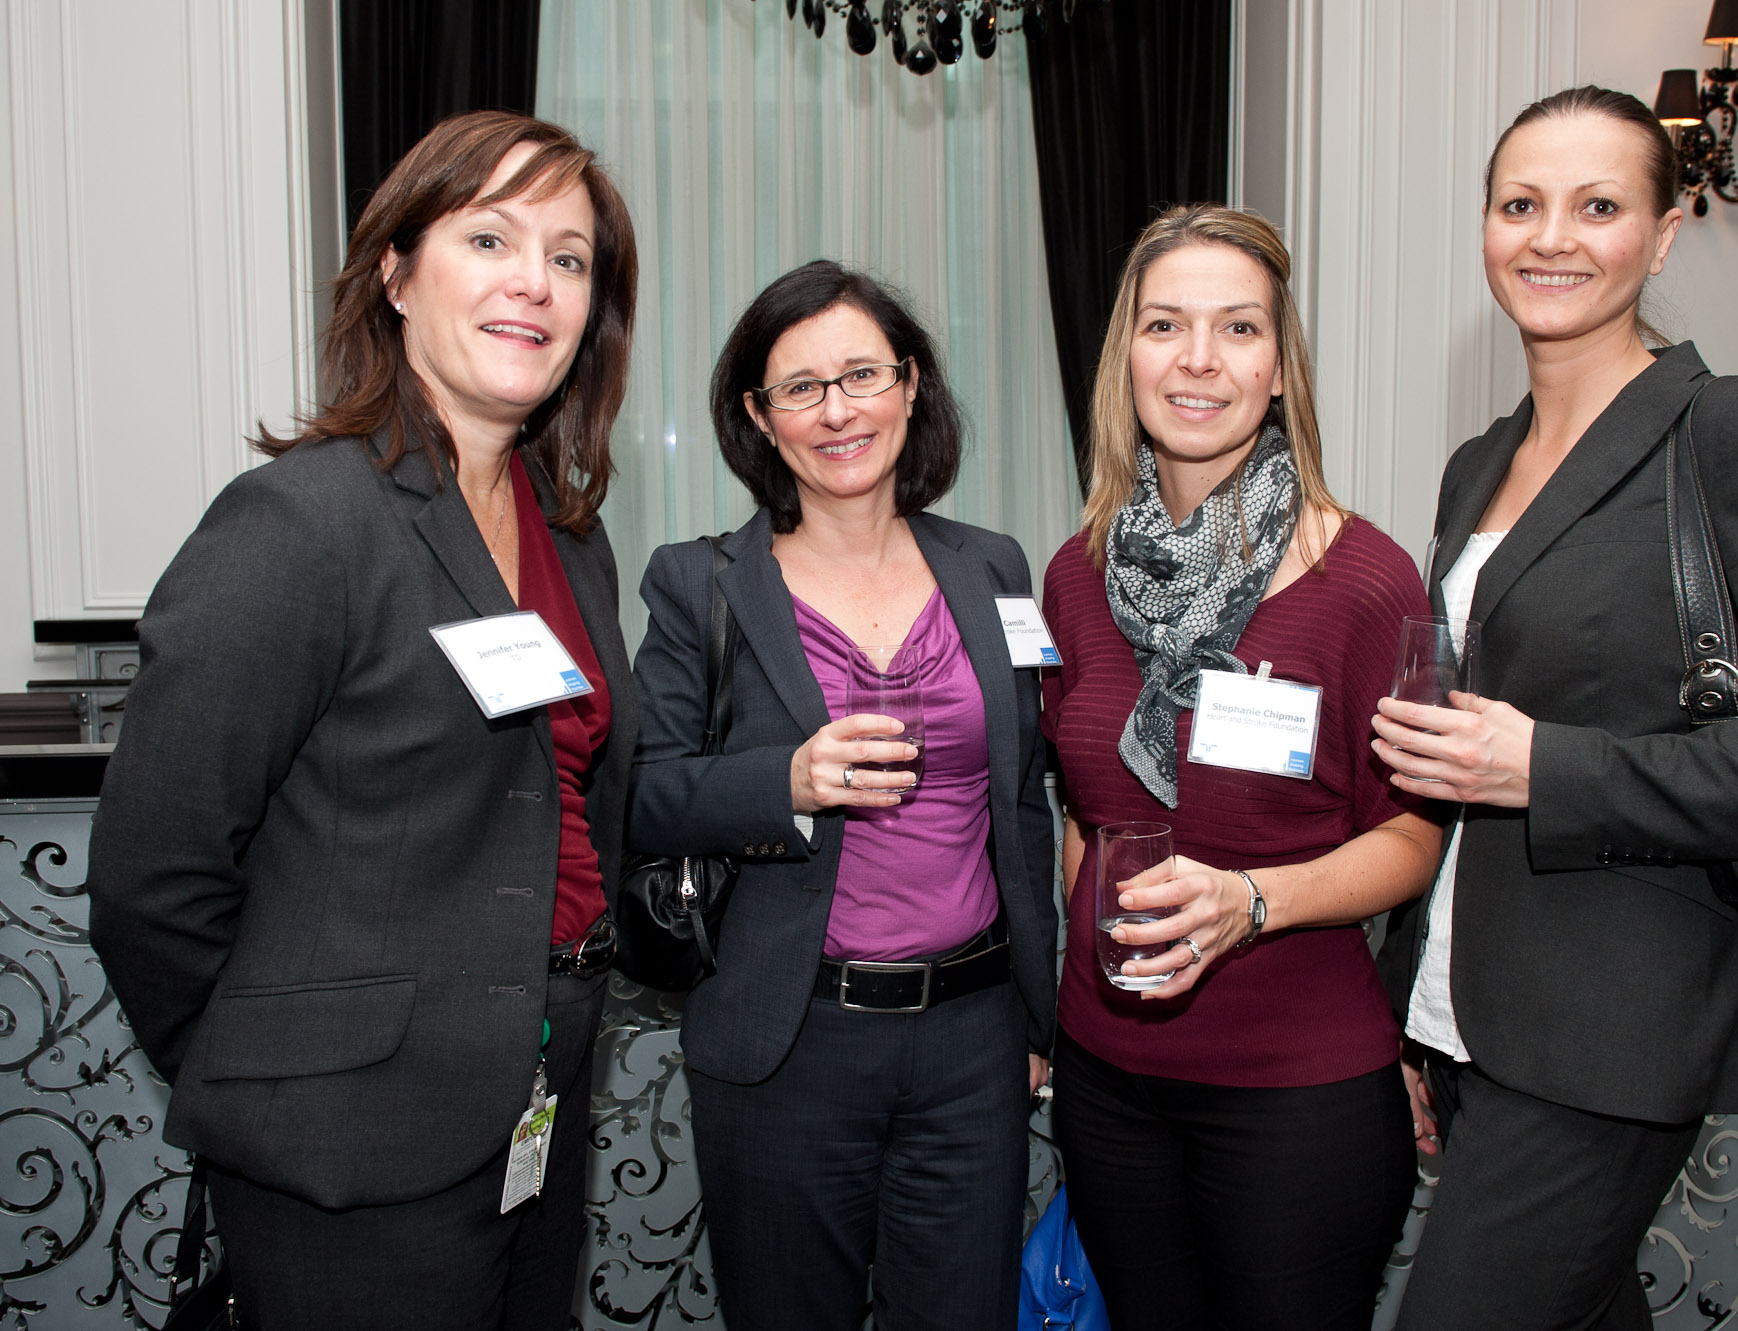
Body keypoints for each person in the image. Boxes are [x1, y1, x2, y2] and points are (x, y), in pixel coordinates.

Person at [1371, 86, 1738, 1331]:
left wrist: (1552, 768)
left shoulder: (1737, 429)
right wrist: (1413, 1004)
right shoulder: (1479, 460)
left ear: (1666, 231)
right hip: (1469, 1010)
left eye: (1597, 206)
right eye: (1518, 204)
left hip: (1610, 1026)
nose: (1550, 238)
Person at [85, 110, 639, 1330]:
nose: (532, 283)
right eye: (489, 237)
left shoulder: (573, 539)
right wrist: (289, 1072)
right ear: (395, 270)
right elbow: (152, 878)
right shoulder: (299, 523)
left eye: (568, 256)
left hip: (540, 1090)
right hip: (350, 1148)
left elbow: (568, 800)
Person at [624, 259, 1057, 1331]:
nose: (837, 410)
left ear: (911, 386)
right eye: (800, 387)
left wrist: (1040, 1004)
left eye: (862, 373)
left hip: (972, 1038)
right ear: (758, 419)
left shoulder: (993, 565)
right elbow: (637, 793)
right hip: (789, 1038)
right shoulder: (703, 582)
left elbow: (1026, 798)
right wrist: (785, 780)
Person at [1039, 204, 1446, 1331]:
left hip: (1294, 1091)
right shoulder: (1073, 574)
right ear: (1126, 357)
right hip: (1105, 1081)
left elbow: (1413, 836)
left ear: (1278, 369)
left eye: (1236, 329)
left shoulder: (1365, 579)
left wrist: (1249, 902)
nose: (1198, 360)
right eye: (1164, 325)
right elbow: (1081, 811)